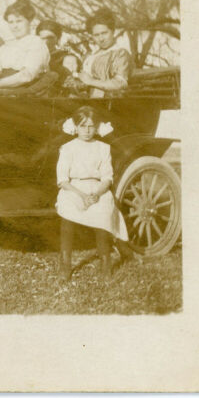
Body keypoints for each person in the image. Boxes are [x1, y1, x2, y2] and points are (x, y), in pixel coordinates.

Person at [55, 106, 134, 281]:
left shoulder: (103, 148)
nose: (87, 130)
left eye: (91, 126)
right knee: (67, 211)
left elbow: (107, 178)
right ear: (75, 127)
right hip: (73, 188)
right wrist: (82, 196)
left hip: (97, 188)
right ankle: (65, 263)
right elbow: (63, 180)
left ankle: (105, 262)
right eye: (83, 126)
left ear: (97, 127)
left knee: (103, 211)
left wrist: (97, 194)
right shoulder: (67, 148)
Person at [0, 0, 50, 90]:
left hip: (25, 93)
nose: (15, 26)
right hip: (2, 92)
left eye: (19, 21)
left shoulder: (36, 43)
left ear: (29, 21)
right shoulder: (3, 48)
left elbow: (27, 76)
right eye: (11, 22)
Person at [75, 8, 135, 98]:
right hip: (89, 99)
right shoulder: (91, 55)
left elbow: (120, 83)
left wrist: (91, 81)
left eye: (104, 33)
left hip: (110, 101)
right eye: (96, 35)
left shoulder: (120, 53)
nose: (101, 39)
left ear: (113, 31)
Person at [36, 19, 81, 94]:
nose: (46, 41)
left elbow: (71, 85)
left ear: (58, 38)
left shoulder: (66, 57)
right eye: (42, 38)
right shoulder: (32, 57)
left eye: (50, 38)